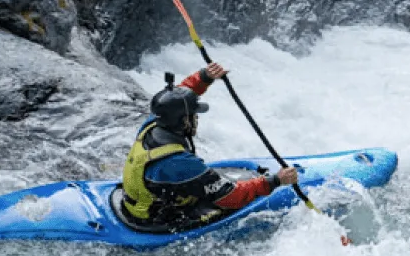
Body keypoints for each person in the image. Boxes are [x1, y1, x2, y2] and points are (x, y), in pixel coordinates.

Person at [116, 62, 299, 233]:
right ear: (184, 120)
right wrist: (275, 181)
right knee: (232, 198)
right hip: (155, 219)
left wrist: (204, 77)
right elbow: (232, 196)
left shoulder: (155, 123)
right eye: (195, 115)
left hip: (135, 204)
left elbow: (178, 95)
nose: (197, 118)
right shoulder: (179, 162)